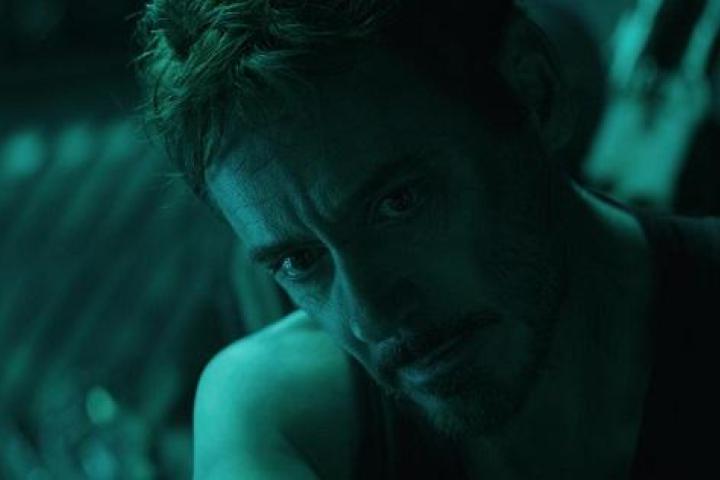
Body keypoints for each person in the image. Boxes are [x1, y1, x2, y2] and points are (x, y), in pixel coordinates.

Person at [135, 1, 720, 478]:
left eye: (399, 203)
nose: (369, 316)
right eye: (299, 260)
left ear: (531, 89)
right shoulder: (283, 414)